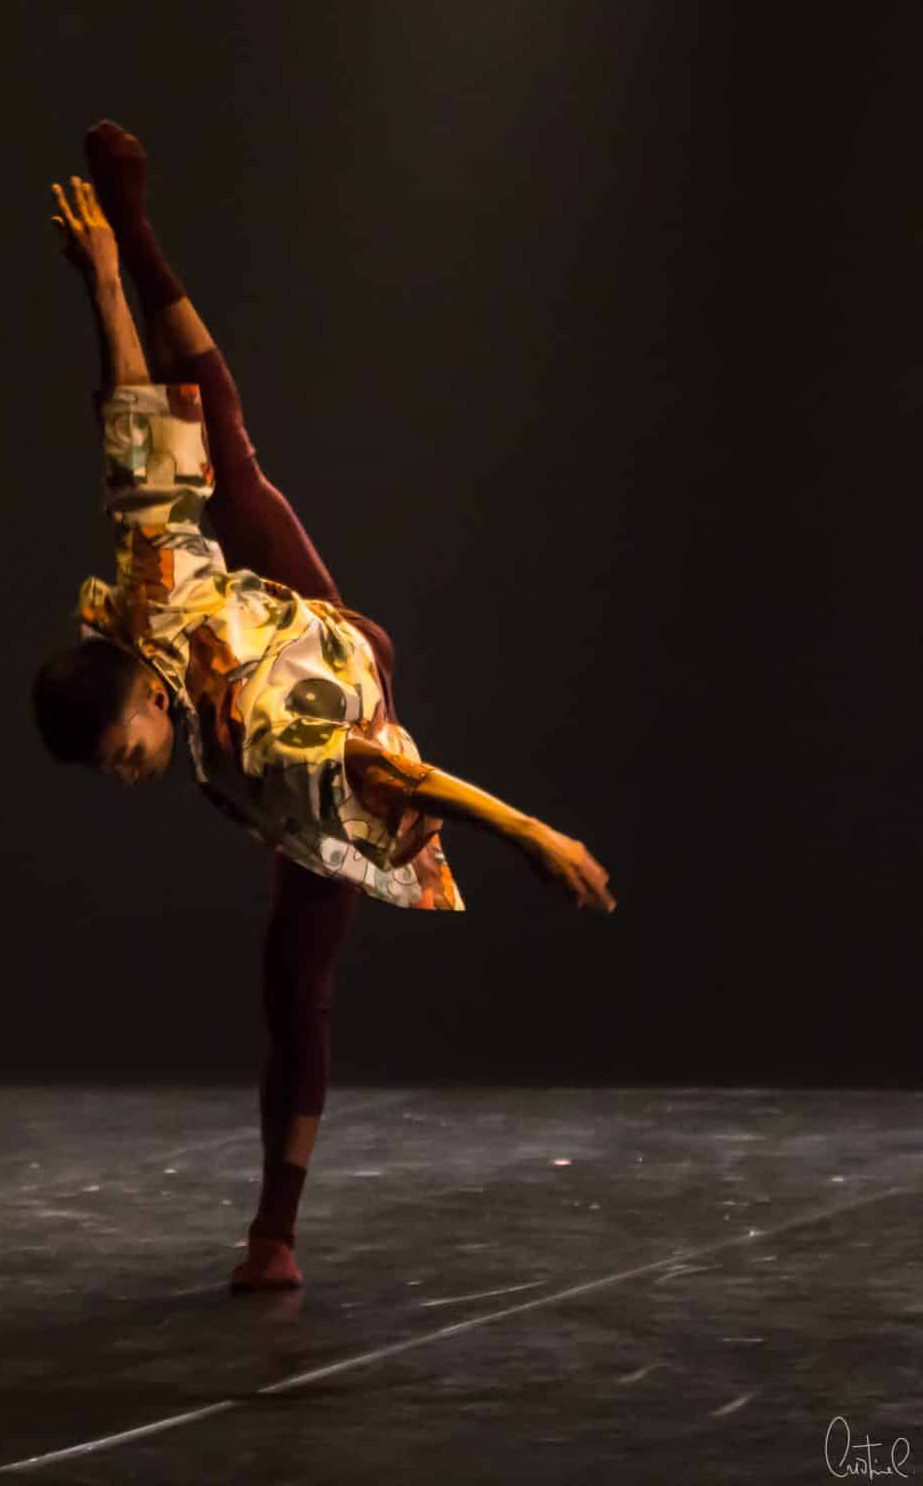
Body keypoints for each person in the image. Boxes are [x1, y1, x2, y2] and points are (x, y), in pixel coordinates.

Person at [34, 124, 615, 1292]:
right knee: (291, 986)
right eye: (111, 768)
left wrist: (534, 835)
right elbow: (136, 431)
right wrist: (97, 288)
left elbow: (400, 777)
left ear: (144, 688)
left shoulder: (250, 716)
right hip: (266, 656)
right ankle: (274, 1234)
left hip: (325, 657)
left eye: (123, 748)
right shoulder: (157, 622)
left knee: (227, 450)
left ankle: (142, 227)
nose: (126, 771)